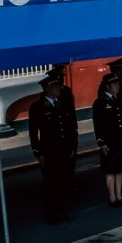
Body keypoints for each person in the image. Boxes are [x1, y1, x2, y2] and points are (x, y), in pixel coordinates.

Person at [28, 70, 80, 223]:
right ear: (48, 89)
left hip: (63, 150)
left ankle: (61, 211)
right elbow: (33, 131)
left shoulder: (61, 104)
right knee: (51, 184)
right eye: (56, 87)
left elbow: (68, 126)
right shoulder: (37, 107)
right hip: (49, 151)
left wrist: (71, 146)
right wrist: (37, 151)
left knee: (63, 182)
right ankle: (52, 214)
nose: (60, 89)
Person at [93, 73, 122, 209]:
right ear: (108, 86)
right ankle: (112, 197)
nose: (118, 86)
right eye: (115, 84)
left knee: (119, 168)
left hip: (120, 139)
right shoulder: (100, 103)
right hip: (109, 141)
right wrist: (101, 142)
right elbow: (98, 124)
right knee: (110, 169)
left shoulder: (119, 100)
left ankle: (119, 195)